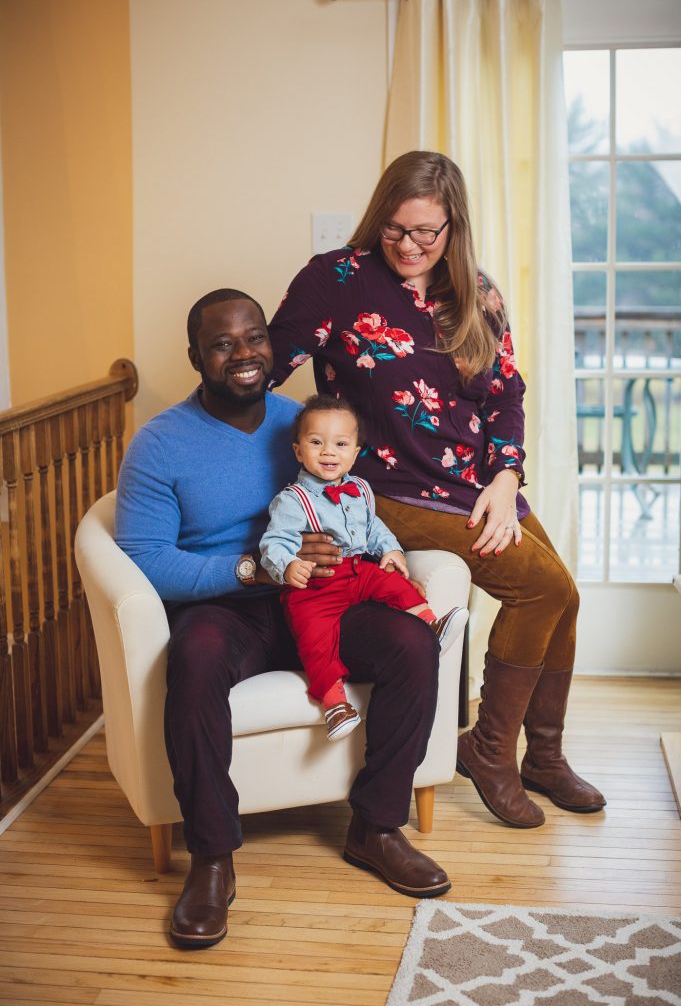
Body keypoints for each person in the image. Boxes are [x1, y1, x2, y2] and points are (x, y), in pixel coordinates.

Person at [268, 150, 606, 831]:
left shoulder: (476, 291)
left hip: (476, 487)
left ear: (454, 226)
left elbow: (506, 394)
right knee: (538, 588)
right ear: (377, 218)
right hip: (388, 492)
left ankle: (541, 755)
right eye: (395, 228)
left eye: (427, 231)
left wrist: (506, 479)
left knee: (561, 596)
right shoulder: (333, 278)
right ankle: (488, 753)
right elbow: (265, 370)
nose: (409, 245)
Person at [115, 287, 452, 951]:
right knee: (196, 658)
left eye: (254, 337)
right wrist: (250, 569)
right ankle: (212, 859)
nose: (243, 354)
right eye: (222, 343)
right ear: (195, 357)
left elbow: (355, 505)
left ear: (272, 344)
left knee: (413, 643)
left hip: (322, 599)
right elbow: (146, 561)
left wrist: (378, 557)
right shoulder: (159, 445)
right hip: (226, 606)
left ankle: (376, 827)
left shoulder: (304, 424)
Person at [259, 393, 469, 740]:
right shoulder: (293, 500)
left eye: (340, 444)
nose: (329, 452)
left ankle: (429, 623)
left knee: (393, 582)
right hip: (316, 588)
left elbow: (374, 528)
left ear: (355, 454)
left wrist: (391, 550)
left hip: (357, 570)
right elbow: (274, 541)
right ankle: (334, 703)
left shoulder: (361, 489)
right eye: (316, 442)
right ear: (298, 451)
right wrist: (289, 564)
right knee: (315, 641)